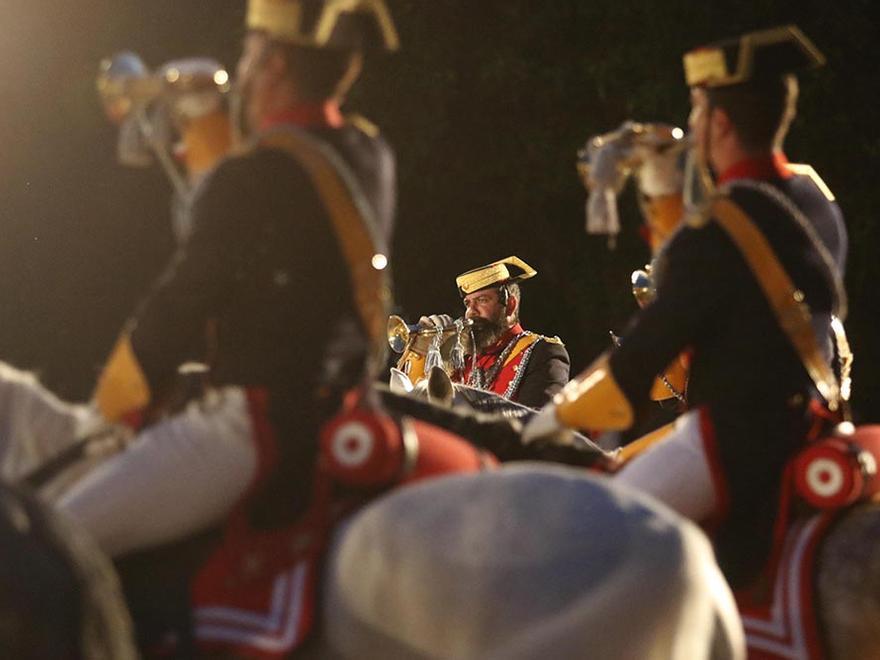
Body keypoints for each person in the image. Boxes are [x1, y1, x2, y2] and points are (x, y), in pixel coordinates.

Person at [0, 0, 399, 560]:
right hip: (341, 407)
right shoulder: (369, 154)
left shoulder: (252, 173)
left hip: (251, 427)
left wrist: (112, 405)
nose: (241, 68)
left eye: (249, 52)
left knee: (45, 551)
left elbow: (184, 300)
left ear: (274, 66)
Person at [526, 25, 848, 588]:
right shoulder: (814, 199)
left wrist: (560, 415)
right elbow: (715, 268)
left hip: (732, 436)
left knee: (586, 542)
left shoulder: (717, 230)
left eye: (699, 113)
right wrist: (660, 185)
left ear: (720, 123)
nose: (694, 127)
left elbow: (660, 328)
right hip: (812, 421)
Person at [413, 256, 570, 409]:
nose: (470, 312)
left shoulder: (543, 352)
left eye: (482, 300)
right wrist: (421, 351)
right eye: (468, 304)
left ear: (510, 305)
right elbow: (418, 406)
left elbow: (536, 424)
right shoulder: (462, 359)